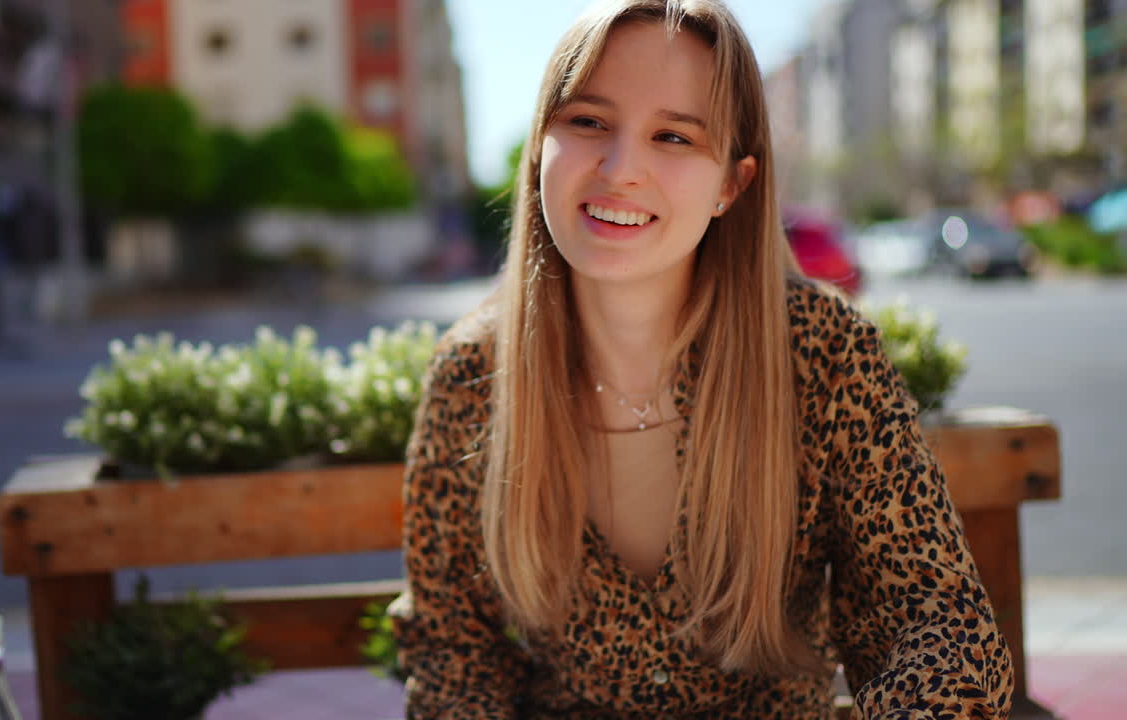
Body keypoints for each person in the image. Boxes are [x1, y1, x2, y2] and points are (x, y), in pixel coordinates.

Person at [390, 1, 1013, 717]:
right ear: (538, 147)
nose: (621, 169)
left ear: (731, 184)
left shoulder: (822, 353)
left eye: (673, 136)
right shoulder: (473, 376)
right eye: (588, 121)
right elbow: (452, 650)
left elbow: (935, 622)